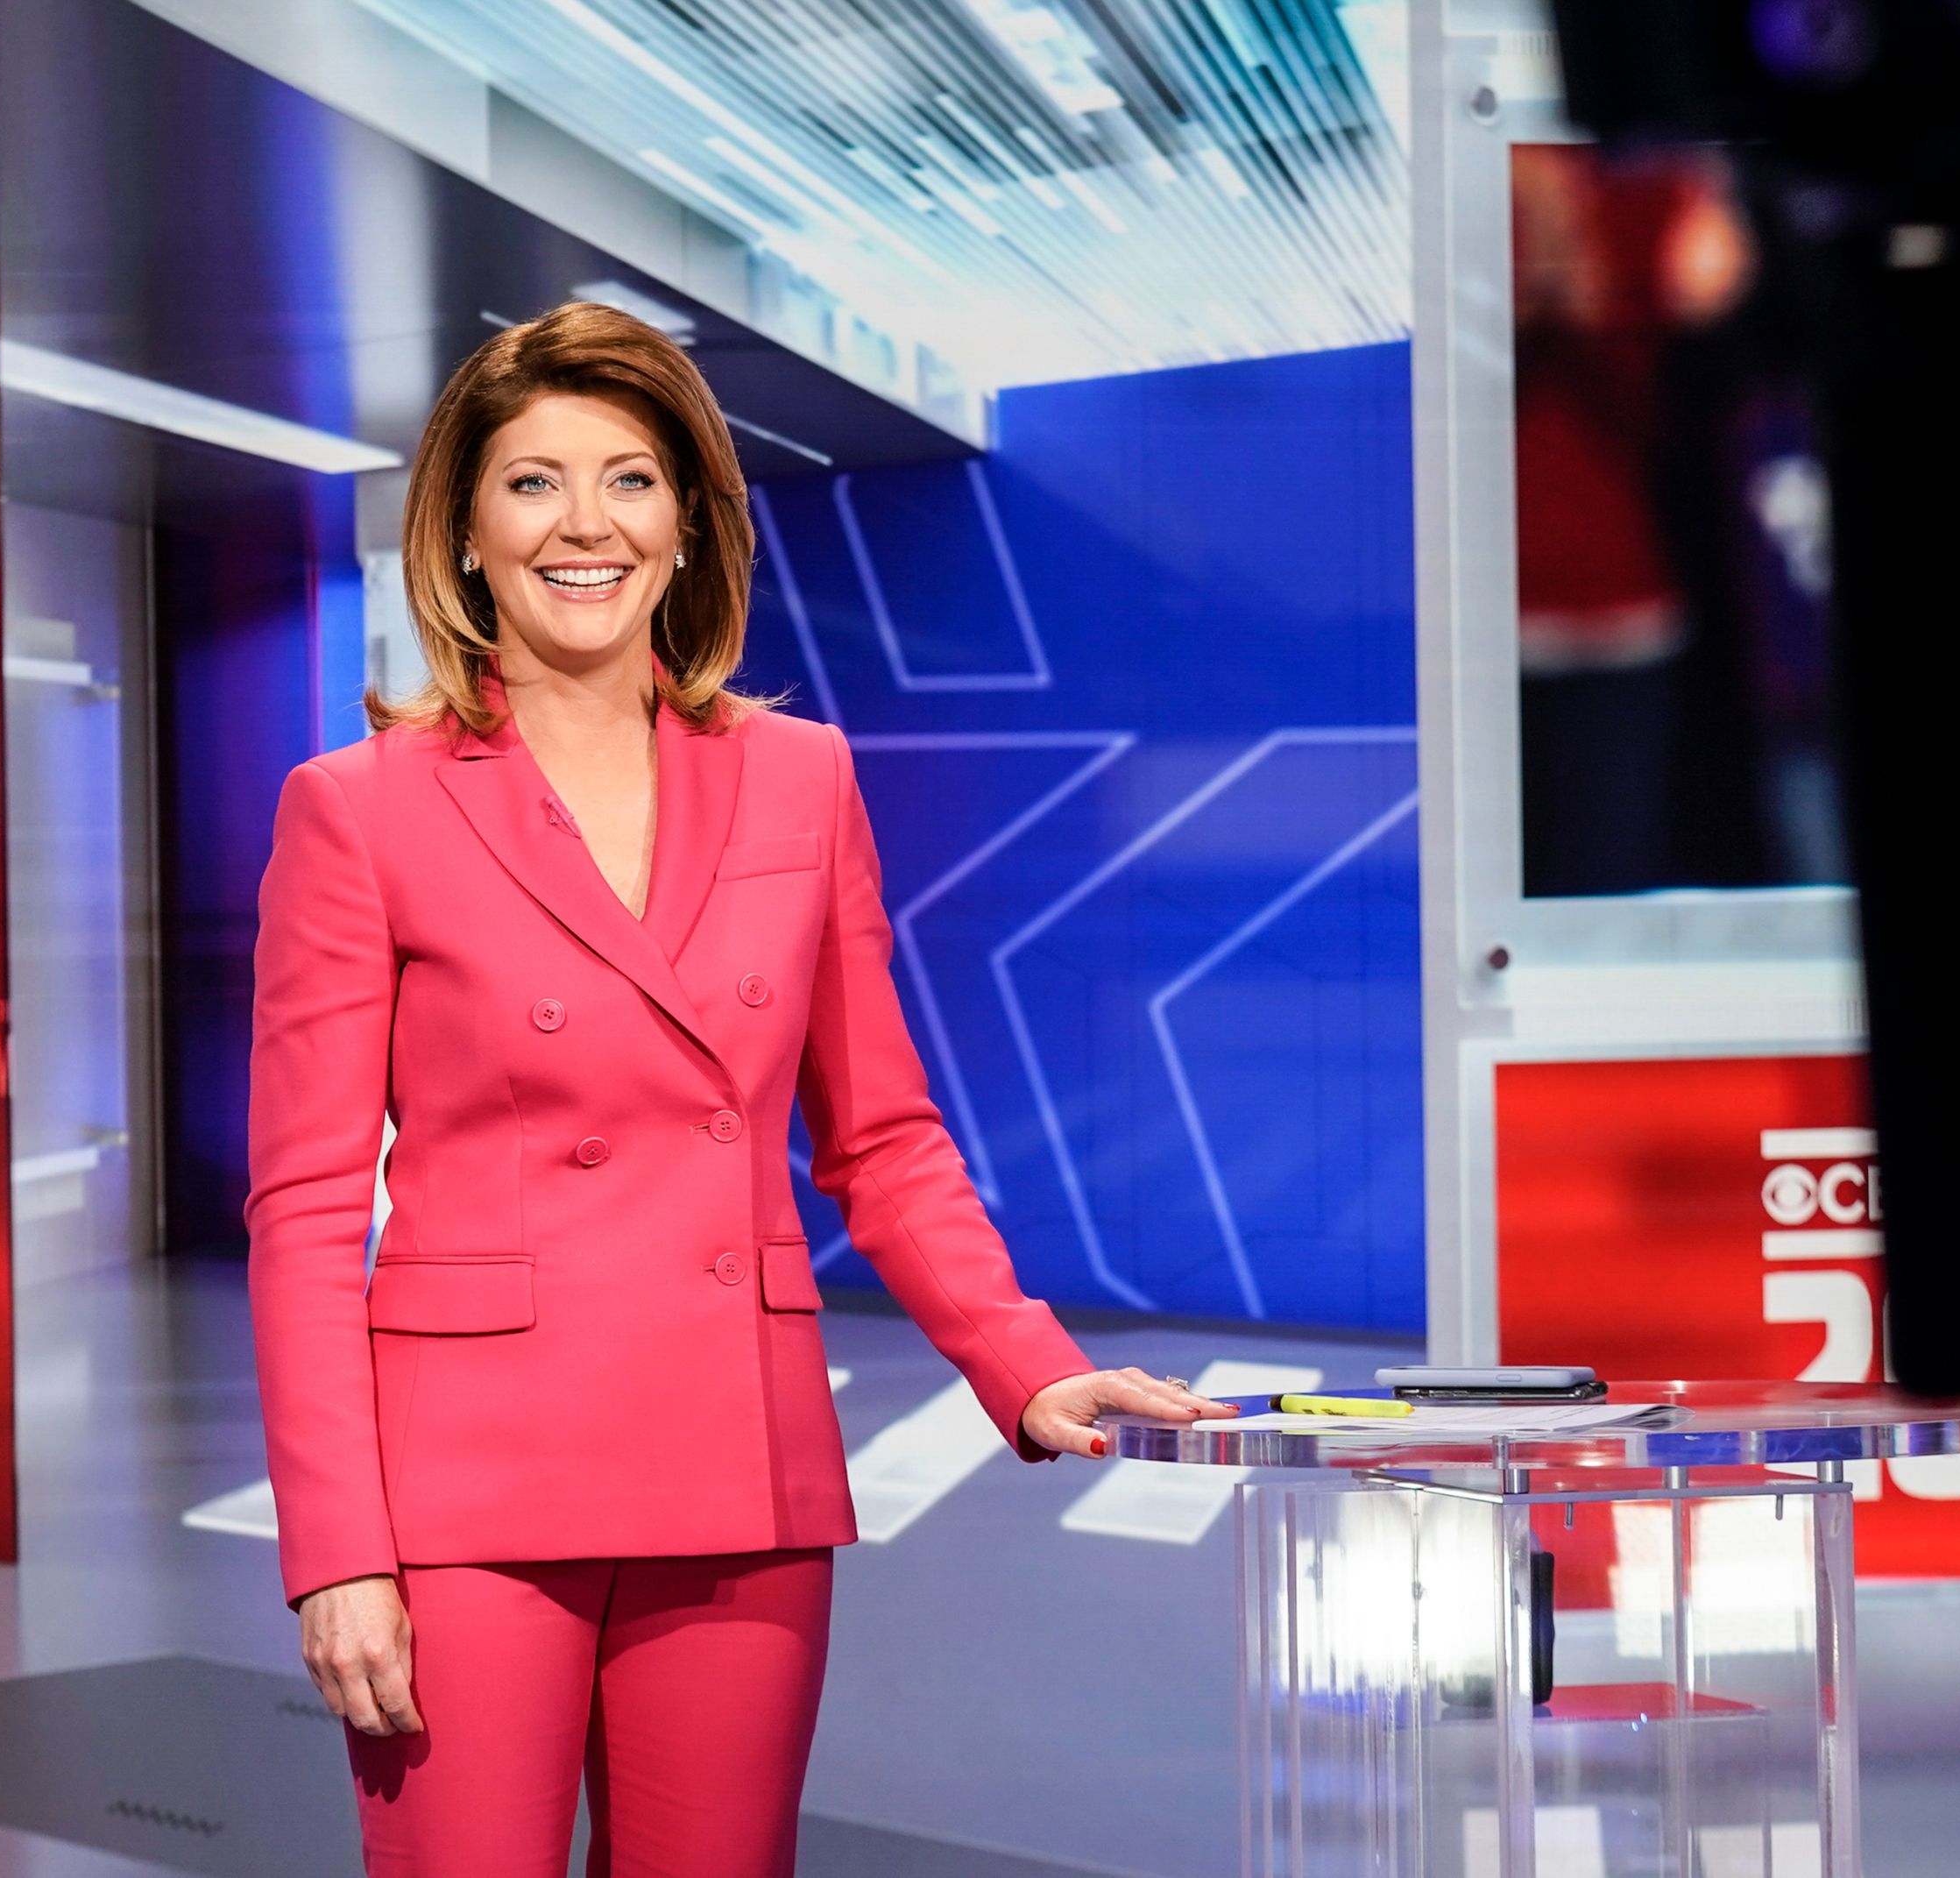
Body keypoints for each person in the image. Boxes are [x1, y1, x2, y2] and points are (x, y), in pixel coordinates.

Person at [244, 300, 1236, 1878]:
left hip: (739, 1473)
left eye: (631, 479)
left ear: (691, 525)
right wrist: (336, 1553)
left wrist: (1026, 1365)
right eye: (533, 483)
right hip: (461, 1492)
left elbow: (886, 1139)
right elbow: (302, 1213)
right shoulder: (357, 812)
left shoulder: (804, 779)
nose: (586, 525)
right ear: (463, 531)